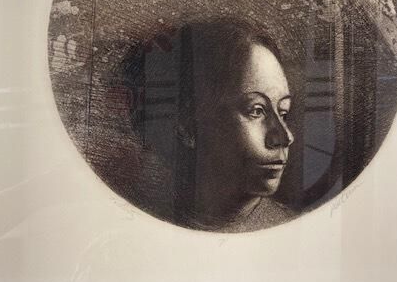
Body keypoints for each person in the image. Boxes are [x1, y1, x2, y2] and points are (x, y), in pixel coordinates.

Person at [122, 19, 296, 232]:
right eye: (256, 111)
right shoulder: (137, 221)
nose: (285, 137)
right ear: (187, 124)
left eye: (283, 112)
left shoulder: (289, 229)